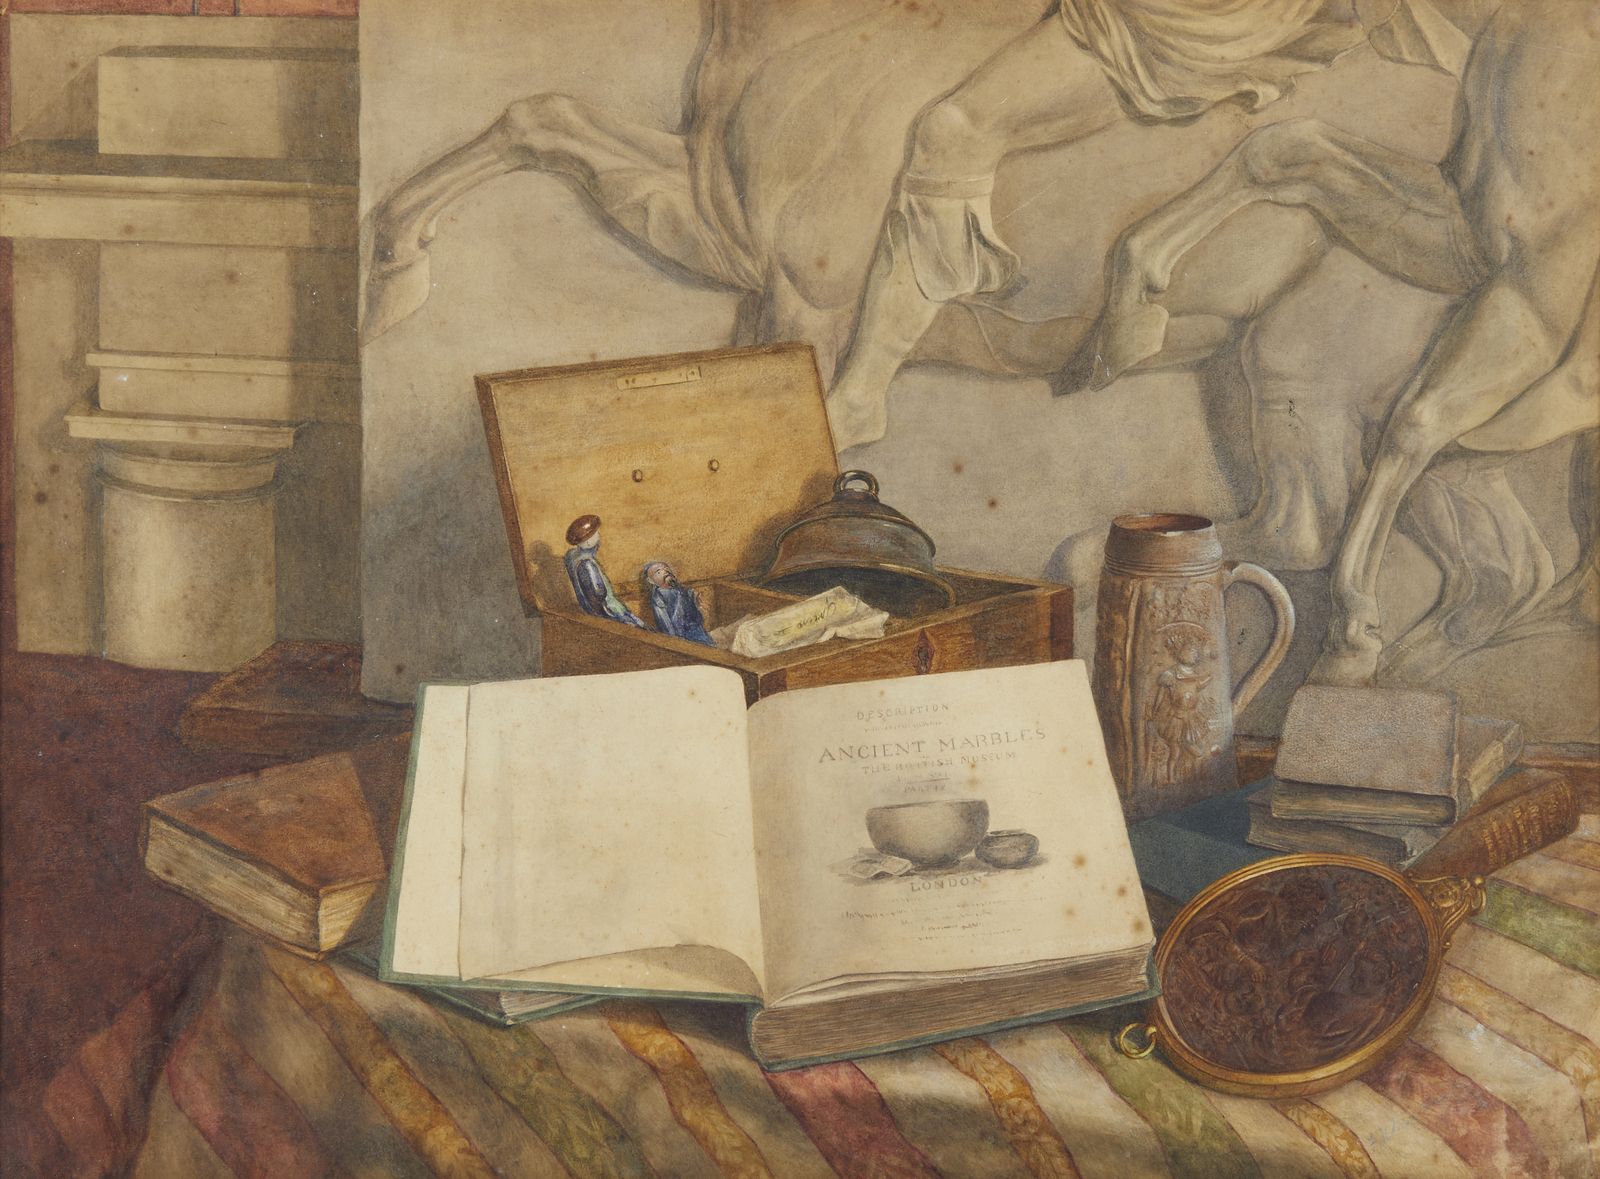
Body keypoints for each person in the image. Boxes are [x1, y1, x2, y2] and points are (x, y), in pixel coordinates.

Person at [563, 514, 645, 627]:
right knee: (639, 625)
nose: (599, 537)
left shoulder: (571, 555)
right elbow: (599, 593)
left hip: (589, 609)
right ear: (588, 542)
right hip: (608, 612)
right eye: (596, 534)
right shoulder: (587, 564)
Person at [642, 560, 716, 646]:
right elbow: (664, 621)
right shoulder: (658, 597)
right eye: (659, 572)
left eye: (666, 569)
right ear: (651, 581)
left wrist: (696, 597)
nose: (665, 572)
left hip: (696, 630)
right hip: (680, 634)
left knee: (709, 645)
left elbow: (688, 593)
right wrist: (674, 639)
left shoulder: (679, 588)